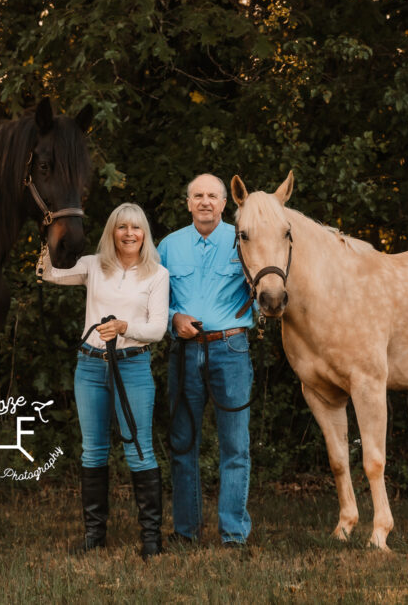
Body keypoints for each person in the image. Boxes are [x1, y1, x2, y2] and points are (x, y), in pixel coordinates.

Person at [42, 202, 170, 558]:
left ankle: (151, 540)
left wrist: (125, 327)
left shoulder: (157, 274)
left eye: (136, 228)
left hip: (132, 366)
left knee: (138, 448)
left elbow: (158, 328)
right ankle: (94, 536)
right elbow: (51, 273)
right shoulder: (94, 266)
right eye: (122, 227)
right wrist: (47, 233)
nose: (129, 234)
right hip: (90, 366)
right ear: (112, 232)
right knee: (94, 449)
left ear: (145, 234)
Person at [156, 173, 255, 548]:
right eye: (197, 195)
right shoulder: (168, 246)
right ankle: (186, 532)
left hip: (230, 350)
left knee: (235, 446)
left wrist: (258, 314)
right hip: (184, 352)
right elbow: (151, 300)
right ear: (188, 202)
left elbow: (265, 287)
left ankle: (233, 535)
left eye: (212, 195)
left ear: (224, 203)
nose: (205, 202)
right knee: (182, 443)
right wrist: (172, 319)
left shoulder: (242, 240)